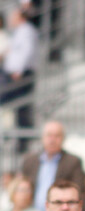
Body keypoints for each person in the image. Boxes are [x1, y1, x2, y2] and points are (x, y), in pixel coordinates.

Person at [20, 121, 85, 210]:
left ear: (63, 138)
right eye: (49, 135)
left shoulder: (73, 162)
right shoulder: (29, 161)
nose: (52, 140)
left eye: (57, 136)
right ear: (42, 137)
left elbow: (78, 190)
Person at [0, 7, 37, 141]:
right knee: (13, 104)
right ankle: (12, 135)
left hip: (20, 75)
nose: (11, 19)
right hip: (13, 73)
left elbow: (27, 52)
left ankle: (22, 139)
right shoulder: (19, 31)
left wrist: (19, 71)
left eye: (13, 16)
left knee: (20, 105)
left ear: (20, 17)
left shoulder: (26, 30)